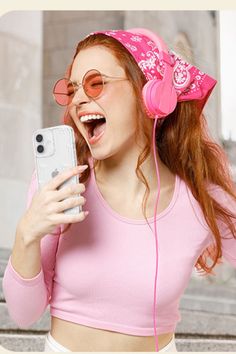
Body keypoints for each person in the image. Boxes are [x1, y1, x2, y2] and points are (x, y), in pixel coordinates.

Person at [2, 27, 236, 353]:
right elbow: (24, 314)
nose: (79, 99)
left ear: (150, 95)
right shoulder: (62, 187)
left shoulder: (199, 199)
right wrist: (27, 233)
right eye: (71, 90)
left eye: (96, 83)